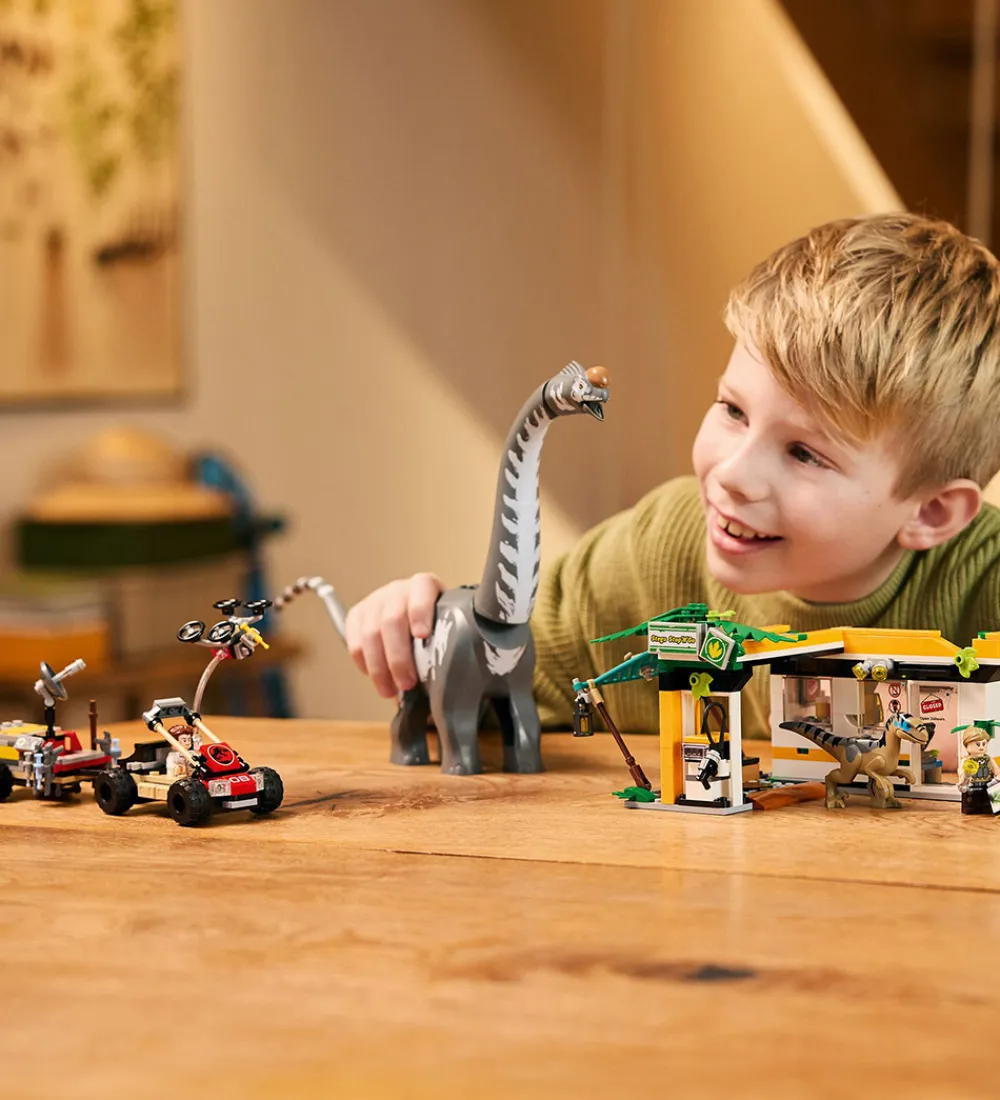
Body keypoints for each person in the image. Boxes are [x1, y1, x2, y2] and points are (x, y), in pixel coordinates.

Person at [344, 213, 1000, 739]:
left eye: (805, 454)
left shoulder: (986, 584)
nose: (733, 475)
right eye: (733, 410)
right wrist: (420, 643)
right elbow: (482, 708)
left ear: (931, 512)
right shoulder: (647, 554)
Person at [957, 726, 1000, 815]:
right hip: (972, 790)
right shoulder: (966, 761)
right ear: (967, 745)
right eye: (977, 744)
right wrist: (964, 779)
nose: (981, 747)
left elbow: (997, 772)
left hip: (987, 788)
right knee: (971, 807)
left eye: (984, 744)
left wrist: (996, 780)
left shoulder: (988, 759)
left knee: (987, 807)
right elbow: (961, 775)